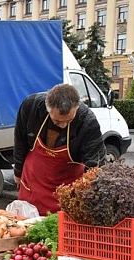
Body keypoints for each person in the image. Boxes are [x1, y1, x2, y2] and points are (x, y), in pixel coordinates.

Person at [13, 84, 105, 216]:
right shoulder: (31, 107)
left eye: (69, 121)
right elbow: (20, 141)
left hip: (66, 187)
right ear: (47, 106)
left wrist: (88, 196)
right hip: (33, 182)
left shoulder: (87, 122)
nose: (63, 125)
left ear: (77, 108)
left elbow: (95, 165)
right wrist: (18, 171)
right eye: (57, 121)